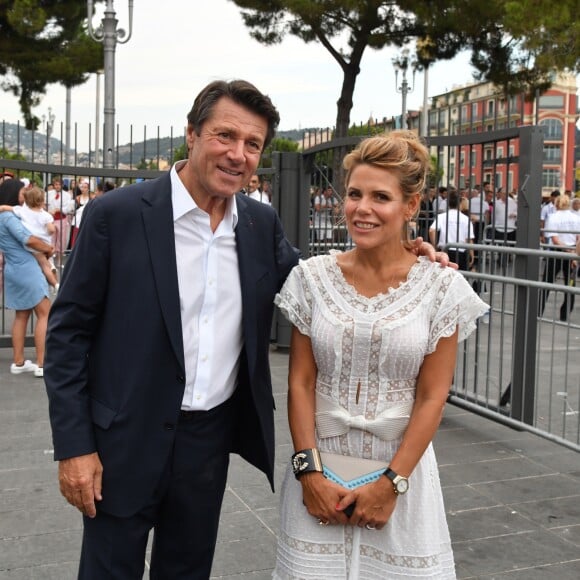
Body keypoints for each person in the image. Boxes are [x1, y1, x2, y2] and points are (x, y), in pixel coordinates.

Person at [43, 79, 299, 579]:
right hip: (121, 441)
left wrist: (402, 261)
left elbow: (318, 284)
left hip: (207, 443)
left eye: (253, 145)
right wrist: (75, 447)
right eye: (225, 135)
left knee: (187, 571)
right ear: (192, 134)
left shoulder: (260, 224)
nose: (238, 155)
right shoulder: (115, 216)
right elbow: (68, 336)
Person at [273, 131, 488, 579]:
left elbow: (433, 396)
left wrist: (392, 484)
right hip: (319, 473)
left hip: (402, 473)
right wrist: (308, 473)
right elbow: (301, 382)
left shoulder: (441, 288)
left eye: (380, 197)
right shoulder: (311, 279)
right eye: (353, 193)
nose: (361, 208)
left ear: (410, 206)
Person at [0, 179, 53, 377]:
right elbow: (28, 239)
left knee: (22, 315)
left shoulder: (4, 215)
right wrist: (48, 248)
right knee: (45, 313)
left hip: (13, 269)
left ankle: (19, 361)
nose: (24, 195)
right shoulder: (9, 218)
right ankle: (42, 364)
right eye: (22, 191)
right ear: (13, 193)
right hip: (27, 268)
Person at [0, 185, 58, 289]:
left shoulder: (22, 211)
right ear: (42, 201)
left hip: (31, 245)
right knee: (46, 264)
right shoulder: (46, 215)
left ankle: (51, 279)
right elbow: (52, 230)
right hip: (44, 243)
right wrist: (49, 231)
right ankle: (55, 283)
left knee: (42, 264)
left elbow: (4, 207)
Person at [538, 194, 580, 321]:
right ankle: (564, 315)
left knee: (547, 283)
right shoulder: (576, 218)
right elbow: (579, 239)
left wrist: (567, 250)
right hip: (573, 251)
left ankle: (538, 311)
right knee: (570, 285)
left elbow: (555, 239)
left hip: (557, 252)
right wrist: (573, 253)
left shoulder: (553, 217)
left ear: (556, 204)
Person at [429, 189, 475, 271]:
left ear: (448, 203)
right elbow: (469, 239)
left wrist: (435, 246)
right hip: (461, 252)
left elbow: (431, 230)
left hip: (445, 251)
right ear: (460, 203)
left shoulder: (442, 216)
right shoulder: (466, 219)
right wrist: (472, 254)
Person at [47, 176, 75, 269]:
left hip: (62, 219)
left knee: (61, 240)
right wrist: (49, 211)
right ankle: (50, 261)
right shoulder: (49, 193)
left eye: (59, 184)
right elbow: (44, 205)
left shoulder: (67, 195)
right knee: (51, 239)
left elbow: (69, 208)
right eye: (56, 184)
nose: (57, 186)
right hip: (51, 219)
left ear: (62, 185)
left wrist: (60, 209)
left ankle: (59, 261)